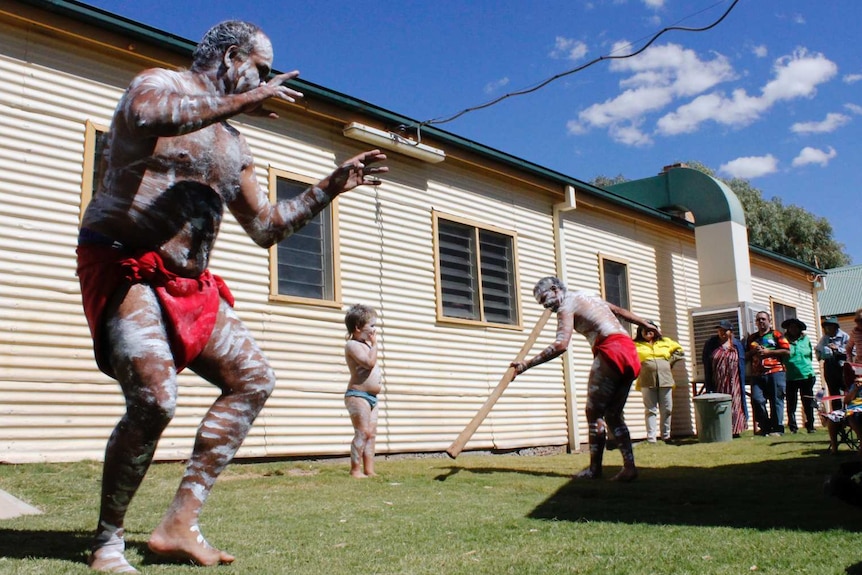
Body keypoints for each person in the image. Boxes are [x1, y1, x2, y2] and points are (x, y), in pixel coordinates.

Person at [76, 21, 388, 573]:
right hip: (129, 265)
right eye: (261, 71)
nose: (265, 83)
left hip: (194, 285)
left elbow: (267, 227)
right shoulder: (159, 84)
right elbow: (147, 117)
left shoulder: (233, 143)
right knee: (155, 399)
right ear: (229, 57)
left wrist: (330, 187)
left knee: (255, 379)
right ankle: (108, 539)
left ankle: (179, 524)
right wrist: (242, 99)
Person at [509, 276, 656, 482]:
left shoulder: (565, 305)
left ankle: (594, 470)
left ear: (555, 288)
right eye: (541, 303)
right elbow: (618, 311)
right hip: (629, 350)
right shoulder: (588, 295)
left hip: (610, 349)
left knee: (593, 411)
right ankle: (629, 468)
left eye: (545, 299)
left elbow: (561, 344)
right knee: (613, 414)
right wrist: (643, 322)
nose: (546, 306)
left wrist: (526, 364)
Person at [343, 304, 381, 478]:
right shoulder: (352, 345)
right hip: (358, 395)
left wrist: (371, 345)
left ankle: (369, 469)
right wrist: (374, 345)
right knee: (363, 432)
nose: (374, 330)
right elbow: (368, 363)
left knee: (371, 434)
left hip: (372, 396)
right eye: (371, 326)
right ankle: (355, 470)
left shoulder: (366, 344)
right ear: (358, 327)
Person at [632, 322, 684, 443]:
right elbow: (629, 356)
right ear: (640, 331)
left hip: (665, 379)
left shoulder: (665, 342)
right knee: (650, 409)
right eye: (645, 329)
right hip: (646, 379)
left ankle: (666, 436)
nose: (648, 332)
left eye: (651, 329)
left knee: (667, 408)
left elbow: (679, 351)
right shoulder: (635, 344)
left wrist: (669, 362)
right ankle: (651, 438)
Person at [745, 311, 790, 436]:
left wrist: (769, 352)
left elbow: (787, 351)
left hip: (776, 371)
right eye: (758, 319)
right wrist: (754, 351)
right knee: (757, 400)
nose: (761, 322)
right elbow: (745, 355)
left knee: (776, 400)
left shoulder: (776, 334)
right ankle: (764, 426)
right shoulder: (752, 338)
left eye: (763, 319)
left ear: (769, 321)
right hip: (757, 374)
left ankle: (777, 428)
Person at [702, 320, 748, 436]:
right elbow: (706, 362)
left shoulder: (736, 345)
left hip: (734, 380)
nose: (722, 332)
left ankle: (735, 430)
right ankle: (721, 429)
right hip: (718, 381)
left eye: (724, 330)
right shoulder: (711, 344)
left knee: (735, 404)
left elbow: (742, 362)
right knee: (720, 404)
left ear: (730, 331)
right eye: (720, 330)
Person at [781, 318, 816, 434]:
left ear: (800, 329)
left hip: (806, 375)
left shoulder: (805, 339)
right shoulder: (783, 340)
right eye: (791, 327)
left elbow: (810, 354)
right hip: (790, 376)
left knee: (808, 402)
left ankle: (810, 425)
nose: (793, 329)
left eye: (796, 327)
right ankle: (792, 427)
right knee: (791, 403)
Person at [815, 316, 849, 410]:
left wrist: (837, 349)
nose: (828, 328)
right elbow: (818, 350)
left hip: (842, 367)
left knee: (847, 390)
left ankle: (849, 415)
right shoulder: (825, 338)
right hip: (829, 366)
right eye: (826, 326)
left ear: (835, 326)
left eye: (830, 326)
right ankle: (836, 416)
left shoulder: (844, 336)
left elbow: (851, 351)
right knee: (833, 392)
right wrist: (822, 353)